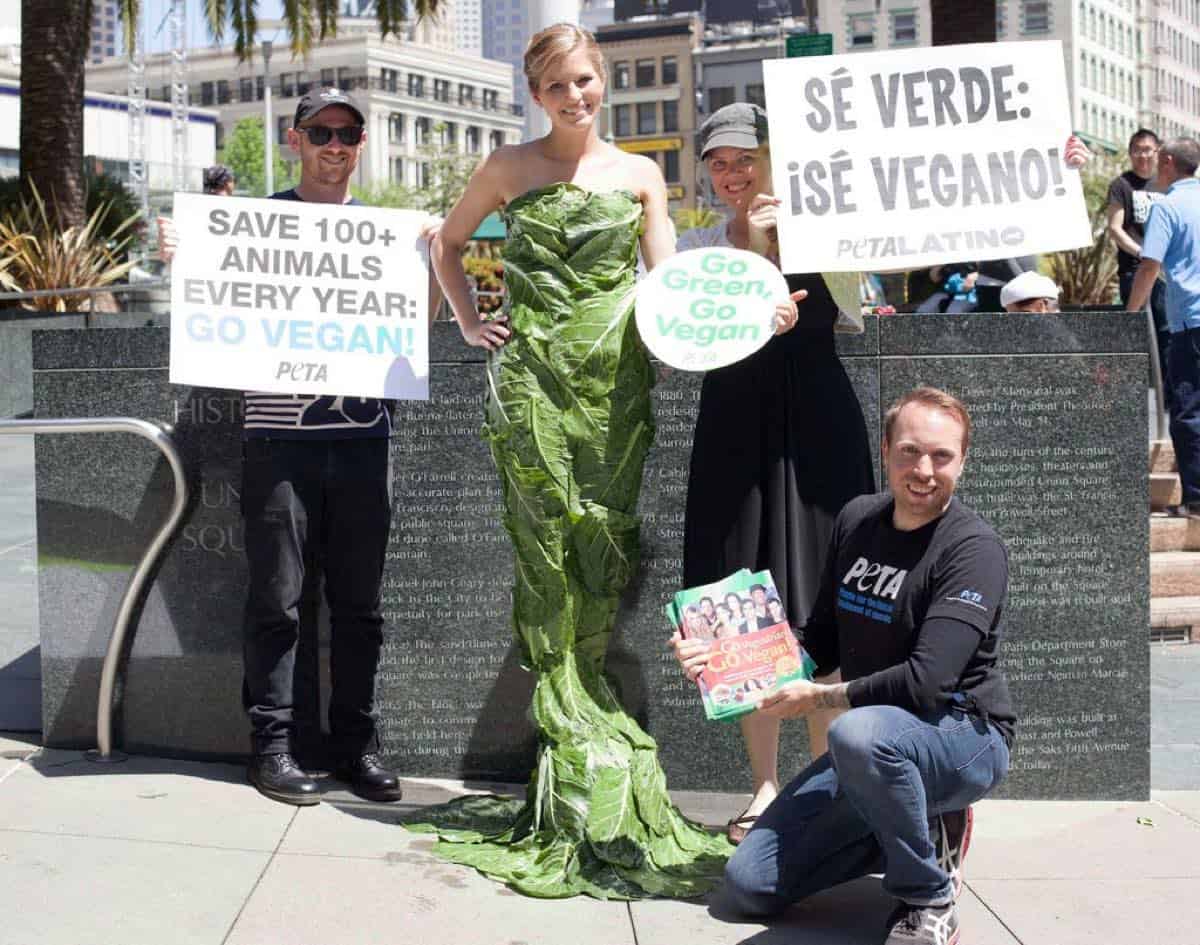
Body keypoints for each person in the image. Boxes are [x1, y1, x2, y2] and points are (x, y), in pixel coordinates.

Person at [424, 23, 735, 896]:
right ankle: (567, 722)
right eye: (560, 86)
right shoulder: (506, 168)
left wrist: (734, 312)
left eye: (587, 82)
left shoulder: (640, 176)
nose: (577, 98)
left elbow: (666, 280)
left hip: (616, 388)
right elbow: (446, 245)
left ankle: (590, 709)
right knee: (545, 548)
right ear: (538, 92)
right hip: (531, 386)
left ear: (604, 81)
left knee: (603, 541)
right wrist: (468, 318)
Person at [679, 386, 1016, 945]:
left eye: (941, 456)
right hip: (874, 743)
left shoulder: (974, 550)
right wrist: (728, 663)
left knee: (855, 732)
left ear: (963, 461)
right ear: (885, 450)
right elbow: (822, 639)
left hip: (963, 734)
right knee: (747, 885)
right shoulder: (858, 520)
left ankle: (927, 897)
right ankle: (910, 823)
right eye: (909, 451)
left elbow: (928, 679)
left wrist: (818, 699)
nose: (923, 469)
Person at [160, 88, 415, 807]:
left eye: (349, 133)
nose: (336, 144)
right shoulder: (256, 224)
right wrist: (186, 261)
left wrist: (431, 262)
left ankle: (356, 742)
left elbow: (417, 331)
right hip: (277, 441)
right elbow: (214, 315)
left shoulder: (385, 235)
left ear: (362, 144)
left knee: (361, 606)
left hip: (364, 439)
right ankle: (273, 744)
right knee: (277, 599)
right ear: (294, 140)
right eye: (322, 132)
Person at [675, 102, 874, 844]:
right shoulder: (698, 244)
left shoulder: (829, 229)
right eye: (718, 163)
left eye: (744, 158)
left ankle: (828, 787)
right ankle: (762, 786)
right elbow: (677, 339)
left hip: (818, 426)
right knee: (740, 599)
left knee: (828, 599)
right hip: (734, 429)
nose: (732, 174)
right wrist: (752, 249)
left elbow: (863, 300)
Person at [1127, 137, 1200, 519]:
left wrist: (1131, 313)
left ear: (1169, 161)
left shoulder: (1167, 207)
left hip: (1191, 322)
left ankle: (1197, 499)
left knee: (1188, 409)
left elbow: (1149, 266)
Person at [1108, 129, 1171, 404]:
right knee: (1138, 330)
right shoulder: (1122, 185)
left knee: (1169, 330)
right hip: (1136, 268)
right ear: (1130, 152)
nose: (1143, 155)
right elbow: (1115, 228)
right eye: (1137, 149)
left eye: (1148, 149)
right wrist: (1144, 253)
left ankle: (1170, 398)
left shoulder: (1168, 184)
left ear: (1158, 152)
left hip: (1169, 271)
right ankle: (1132, 399)